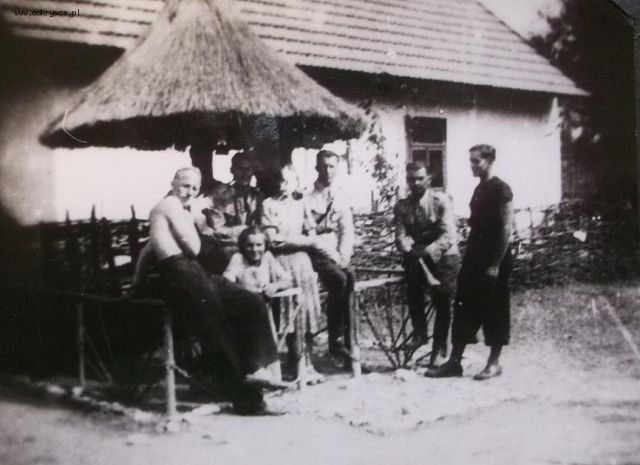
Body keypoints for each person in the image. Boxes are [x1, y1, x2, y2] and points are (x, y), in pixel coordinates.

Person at [140, 167, 285, 415]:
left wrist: (137, 279)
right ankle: (248, 400)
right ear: (173, 182)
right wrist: (196, 223)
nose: (189, 192)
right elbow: (194, 248)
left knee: (250, 301)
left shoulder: (175, 211)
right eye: (185, 185)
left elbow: (148, 249)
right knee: (217, 323)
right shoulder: (170, 206)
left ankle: (257, 367)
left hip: (194, 271)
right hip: (179, 273)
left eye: (194, 188)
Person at [425, 144, 514, 380]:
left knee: (495, 307)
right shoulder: (479, 188)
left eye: (476, 161)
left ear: (489, 161)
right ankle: (455, 362)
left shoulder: (502, 189)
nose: (472, 165)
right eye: (470, 161)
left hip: (495, 256)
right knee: (464, 305)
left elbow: (506, 229)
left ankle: (493, 363)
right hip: (475, 255)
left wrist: (495, 264)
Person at [261, 165, 325, 382]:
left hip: (302, 263)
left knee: (307, 313)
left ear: (296, 183)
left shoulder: (302, 203)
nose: (284, 185)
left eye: (288, 181)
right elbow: (272, 240)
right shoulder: (268, 205)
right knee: (288, 313)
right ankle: (295, 364)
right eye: (281, 180)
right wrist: (303, 241)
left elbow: (313, 236)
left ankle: (309, 365)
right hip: (281, 263)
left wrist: (296, 240)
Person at [393, 161, 460, 366]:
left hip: (444, 255)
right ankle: (420, 334)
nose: (415, 183)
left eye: (420, 178)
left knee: (442, 300)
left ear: (429, 179)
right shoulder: (402, 206)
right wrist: (407, 248)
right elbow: (400, 235)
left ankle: (438, 349)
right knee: (413, 290)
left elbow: (448, 236)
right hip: (418, 256)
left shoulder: (440, 201)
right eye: (411, 179)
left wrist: (427, 252)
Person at [305, 150, 355, 364]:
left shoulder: (341, 195)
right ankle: (335, 339)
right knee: (340, 280)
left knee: (350, 279)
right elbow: (310, 234)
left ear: (337, 168)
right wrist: (335, 256)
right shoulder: (306, 196)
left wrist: (344, 255)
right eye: (324, 166)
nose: (328, 171)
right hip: (315, 252)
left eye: (332, 166)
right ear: (317, 167)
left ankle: (349, 344)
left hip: (336, 251)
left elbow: (347, 230)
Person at [192, 152, 263, 274]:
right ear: (232, 170)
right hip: (227, 245)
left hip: (251, 244)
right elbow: (214, 229)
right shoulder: (220, 193)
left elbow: (259, 224)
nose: (244, 174)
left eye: (248, 169)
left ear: (253, 171)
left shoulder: (257, 195)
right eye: (240, 169)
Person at [223, 225, 293, 298]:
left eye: (259, 245)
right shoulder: (238, 258)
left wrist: (275, 286)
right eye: (249, 245)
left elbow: (288, 282)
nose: (254, 249)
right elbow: (226, 284)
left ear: (265, 246)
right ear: (243, 246)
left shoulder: (267, 257)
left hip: (264, 303)